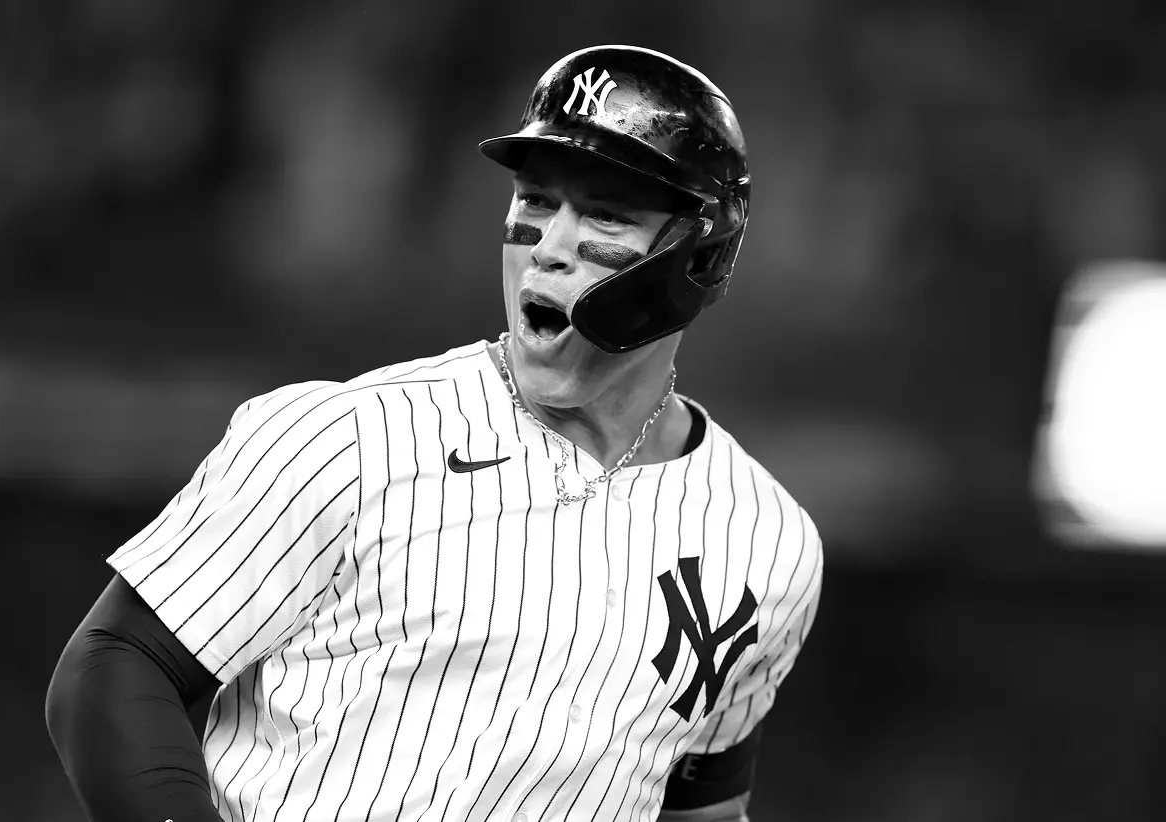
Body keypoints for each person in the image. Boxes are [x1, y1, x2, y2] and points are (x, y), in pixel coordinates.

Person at [46, 44, 823, 822]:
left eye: (604, 214)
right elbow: (116, 667)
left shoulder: (768, 541)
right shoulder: (348, 438)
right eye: (535, 200)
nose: (550, 245)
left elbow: (703, 801)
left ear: (704, 252)